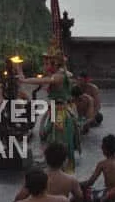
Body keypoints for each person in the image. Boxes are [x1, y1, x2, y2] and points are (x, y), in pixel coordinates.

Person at [19, 38, 81, 174]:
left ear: (55, 63)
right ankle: (56, 167)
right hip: (55, 110)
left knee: (60, 140)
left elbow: (45, 80)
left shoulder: (59, 76)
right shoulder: (59, 74)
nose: (45, 65)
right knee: (52, 138)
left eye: (48, 62)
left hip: (61, 113)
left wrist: (25, 80)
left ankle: (64, 170)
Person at [13, 142, 82, 202]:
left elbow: (19, 197)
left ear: (45, 159)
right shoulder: (71, 180)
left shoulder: (36, 177)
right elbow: (79, 197)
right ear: (65, 161)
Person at [80, 134, 115, 202]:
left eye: (102, 146)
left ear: (105, 149)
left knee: (84, 191)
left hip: (110, 197)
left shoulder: (102, 164)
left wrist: (78, 184)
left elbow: (90, 182)